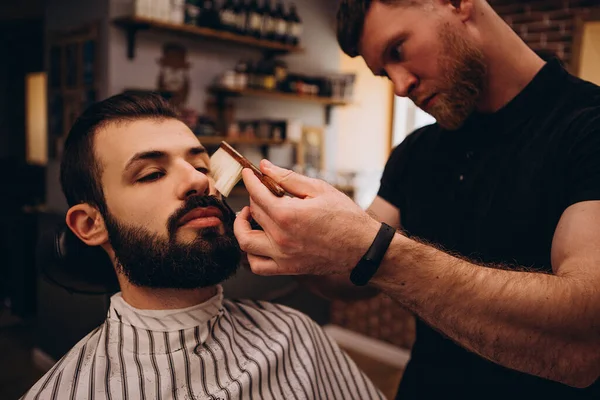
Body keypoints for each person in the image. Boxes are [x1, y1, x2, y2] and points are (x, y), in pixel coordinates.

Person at [233, 0, 600, 399]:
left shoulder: (587, 128)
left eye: (398, 51)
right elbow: (353, 273)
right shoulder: (416, 151)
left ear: (458, 4)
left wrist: (374, 248)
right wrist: (288, 240)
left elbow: (583, 341)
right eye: (384, 72)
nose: (400, 85)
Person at [21, 93, 384, 400]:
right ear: (90, 224)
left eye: (201, 165)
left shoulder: (296, 334)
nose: (198, 179)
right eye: (152, 173)